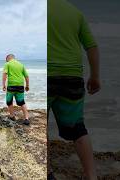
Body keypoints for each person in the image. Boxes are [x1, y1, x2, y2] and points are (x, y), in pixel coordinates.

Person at [48, 0, 100, 179]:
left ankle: (47, 173)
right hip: (72, 78)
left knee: (38, 129)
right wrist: (95, 76)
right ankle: (91, 175)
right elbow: (91, 46)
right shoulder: (75, 13)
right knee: (78, 129)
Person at [2, 54, 30, 125]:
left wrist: (3, 85)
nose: (6, 61)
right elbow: (26, 76)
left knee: (9, 101)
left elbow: (4, 74)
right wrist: (27, 85)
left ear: (8, 58)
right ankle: (26, 118)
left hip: (11, 86)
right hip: (20, 86)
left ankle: (12, 116)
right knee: (22, 102)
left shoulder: (7, 64)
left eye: (6, 60)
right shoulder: (21, 64)